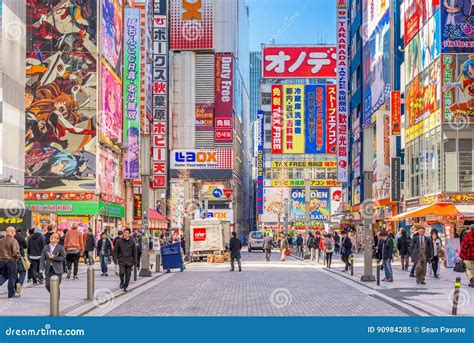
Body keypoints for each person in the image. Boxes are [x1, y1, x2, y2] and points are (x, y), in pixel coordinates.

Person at [39, 233, 66, 297]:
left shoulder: (60, 247)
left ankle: (56, 298)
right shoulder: (46, 247)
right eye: (52, 236)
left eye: (54, 237)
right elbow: (42, 259)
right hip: (48, 269)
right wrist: (41, 269)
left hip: (58, 270)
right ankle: (54, 296)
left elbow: (63, 258)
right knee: (47, 285)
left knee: (56, 285)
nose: (52, 237)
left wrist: (54, 257)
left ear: (57, 240)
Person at [0, 227, 20, 298]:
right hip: (11, 261)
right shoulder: (13, 241)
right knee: (12, 277)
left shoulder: (1, 240)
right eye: (14, 232)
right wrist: (18, 257)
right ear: (12, 232)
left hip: (1, 261)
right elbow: (15, 253)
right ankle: (11, 294)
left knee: (4, 275)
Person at [14, 228, 27, 297]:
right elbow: (25, 246)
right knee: (22, 272)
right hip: (20, 257)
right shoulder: (21, 237)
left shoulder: (10, 238)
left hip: (11, 258)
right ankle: (19, 283)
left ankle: (16, 286)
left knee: (14, 273)